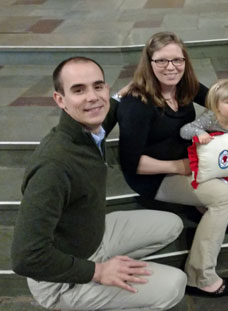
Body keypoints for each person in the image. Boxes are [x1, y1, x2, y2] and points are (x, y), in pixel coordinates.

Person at [11, 56, 187, 311]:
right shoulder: (54, 165)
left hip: (94, 236)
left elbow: (108, 109)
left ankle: (105, 274)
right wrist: (97, 271)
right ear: (60, 100)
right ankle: (74, 299)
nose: (92, 97)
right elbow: (25, 258)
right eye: (78, 90)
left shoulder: (90, 130)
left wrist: (123, 93)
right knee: (174, 285)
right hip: (60, 280)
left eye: (98, 86)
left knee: (173, 224)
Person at [117, 32, 228, 297]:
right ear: (148, 63)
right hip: (154, 175)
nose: (170, 67)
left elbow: (221, 101)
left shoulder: (185, 86)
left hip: (188, 161)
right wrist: (179, 167)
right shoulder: (136, 104)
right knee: (224, 198)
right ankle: (200, 276)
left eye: (177, 60)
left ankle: (198, 207)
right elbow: (130, 163)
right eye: (161, 61)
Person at [179, 78, 228, 186]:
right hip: (214, 147)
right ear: (216, 106)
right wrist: (199, 133)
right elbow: (185, 131)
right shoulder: (210, 118)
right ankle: (219, 178)